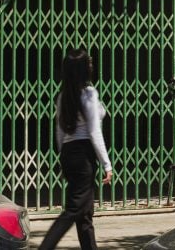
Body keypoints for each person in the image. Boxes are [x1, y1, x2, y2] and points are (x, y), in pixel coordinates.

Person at [38, 47, 112, 250]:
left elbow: (60, 131)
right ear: (83, 69)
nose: (91, 65)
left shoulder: (63, 96)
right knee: (73, 210)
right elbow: (94, 131)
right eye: (89, 63)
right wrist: (107, 164)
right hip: (83, 155)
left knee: (85, 213)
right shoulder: (88, 94)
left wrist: (64, 158)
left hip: (70, 153)